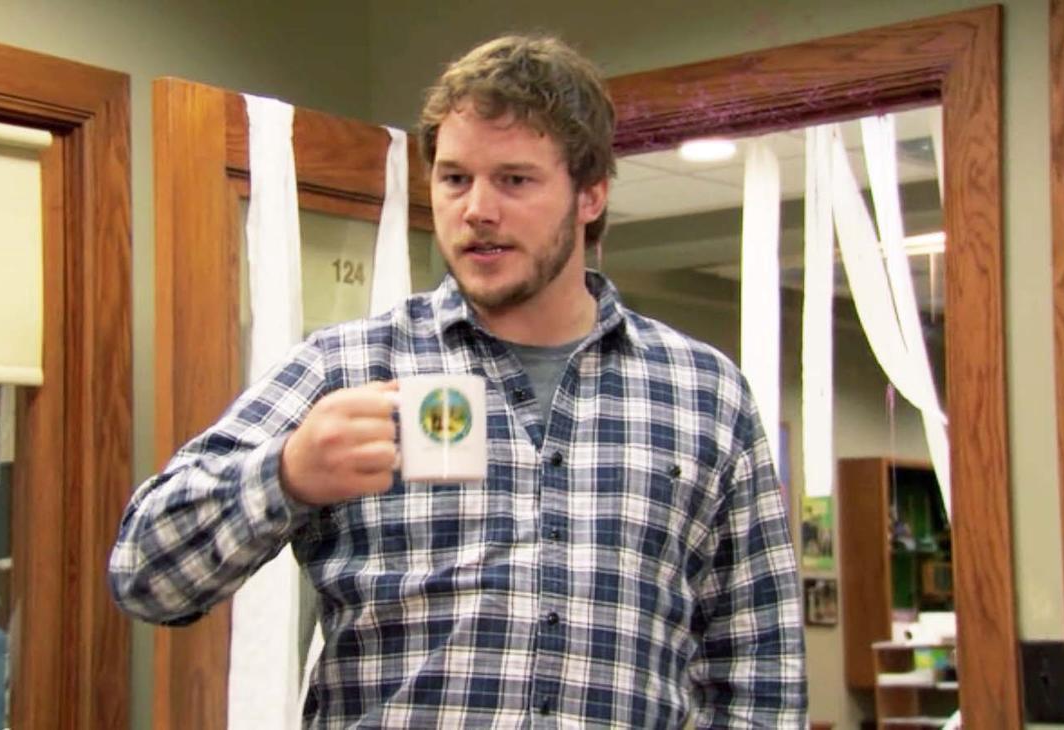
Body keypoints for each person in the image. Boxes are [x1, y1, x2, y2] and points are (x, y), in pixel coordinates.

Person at [110, 34, 806, 728]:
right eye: (454, 179)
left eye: (514, 180)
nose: (477, 210)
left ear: (590, 195)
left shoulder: (705, 395)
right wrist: (285, 474)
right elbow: (144, 574)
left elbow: (759, 676)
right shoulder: (346, 368)